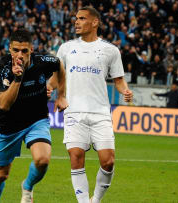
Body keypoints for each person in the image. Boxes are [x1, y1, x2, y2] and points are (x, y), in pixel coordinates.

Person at [51, 6, 133, 203]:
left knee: (108, 161)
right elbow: (57, 76)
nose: (76, 22)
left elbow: (119, 80)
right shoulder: (66, 48)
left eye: (81, 18)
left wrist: (125, 91)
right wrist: (49, 87)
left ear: (95, 22)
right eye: (75, 18)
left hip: (100, 113)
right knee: (76, 156)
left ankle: (95, 200)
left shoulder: (110, 50)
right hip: (74, 111)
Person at [0, 29, 67, 203]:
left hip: (36, 119)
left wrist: (60, 95)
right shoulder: (2, 67)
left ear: (31, 49)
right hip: (9, 124)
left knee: (42, 160)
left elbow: (60, 66)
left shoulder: (43, 61)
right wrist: (18, 79)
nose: (20, 55)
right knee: (1, 175)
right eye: (16, 50)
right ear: (9, 49)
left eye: (24, 50)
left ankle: (27, 186)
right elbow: (4, 104)